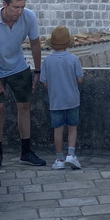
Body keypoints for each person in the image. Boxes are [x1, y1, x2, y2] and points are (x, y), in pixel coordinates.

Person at [0, 0, 45, 168]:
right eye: (16, 7)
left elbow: (35, 44)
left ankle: (26, 151)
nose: (19, 11)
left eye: (22, 7)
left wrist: (38, 72)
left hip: (18, 66)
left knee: (24, 106)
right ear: (5, 5)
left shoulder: (28, 17)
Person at [41, 25, 84, 170]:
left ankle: (59, 159)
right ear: (68, 44)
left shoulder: (47, 61)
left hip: (55, 101)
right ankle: (71, 155)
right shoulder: (73, 59)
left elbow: (45, 82)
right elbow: (80, 79)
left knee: (58, 129)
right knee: (72, 127)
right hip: (72, 99)